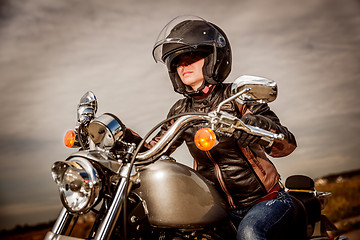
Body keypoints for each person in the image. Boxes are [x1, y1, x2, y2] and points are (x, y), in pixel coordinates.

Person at [146, 15, 297, 240]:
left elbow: (286, 145)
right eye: (177, 60)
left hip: (265, 202)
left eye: (193, 56)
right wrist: (121, 139)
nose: (183, 64)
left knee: (249, 233)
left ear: (214, 59)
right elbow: (154, 149)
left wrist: (257, 126)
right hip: (217, 208)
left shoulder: (238, 97)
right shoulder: (180, 110)